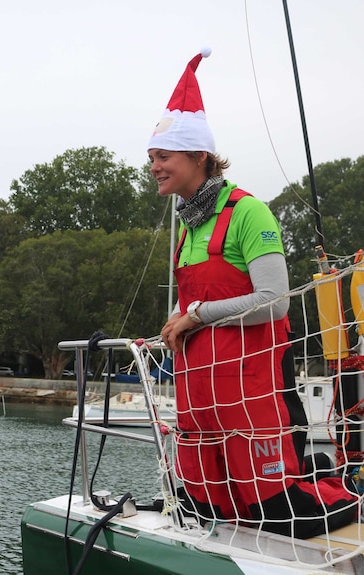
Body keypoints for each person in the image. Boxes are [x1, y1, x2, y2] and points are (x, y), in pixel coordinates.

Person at [153, 50, 357, 538]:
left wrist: (195, 314)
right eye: (152, 158)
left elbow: (275, 300)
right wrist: (178, 317)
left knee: (284, 515)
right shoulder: (187, 228)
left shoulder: (249, 213)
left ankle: (351, 500)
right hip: (199, 399)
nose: (154, 167)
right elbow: (192, 302)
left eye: (163, 157)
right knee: (203, 510)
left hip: (252, 397)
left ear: (198, 157)